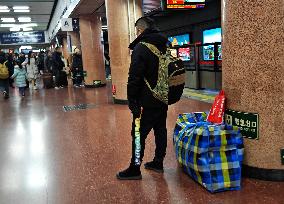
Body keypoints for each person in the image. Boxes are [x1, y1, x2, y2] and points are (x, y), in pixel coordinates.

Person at [116, 17, 169, 180]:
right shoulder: (164, 45)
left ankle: (135, 168)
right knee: (160, 129)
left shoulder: (141, 47)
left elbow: (134, 77)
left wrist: (132, 101)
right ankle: (158, 162)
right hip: (163, 97)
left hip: (146, 101)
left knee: (138, 134)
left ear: (140, 30)